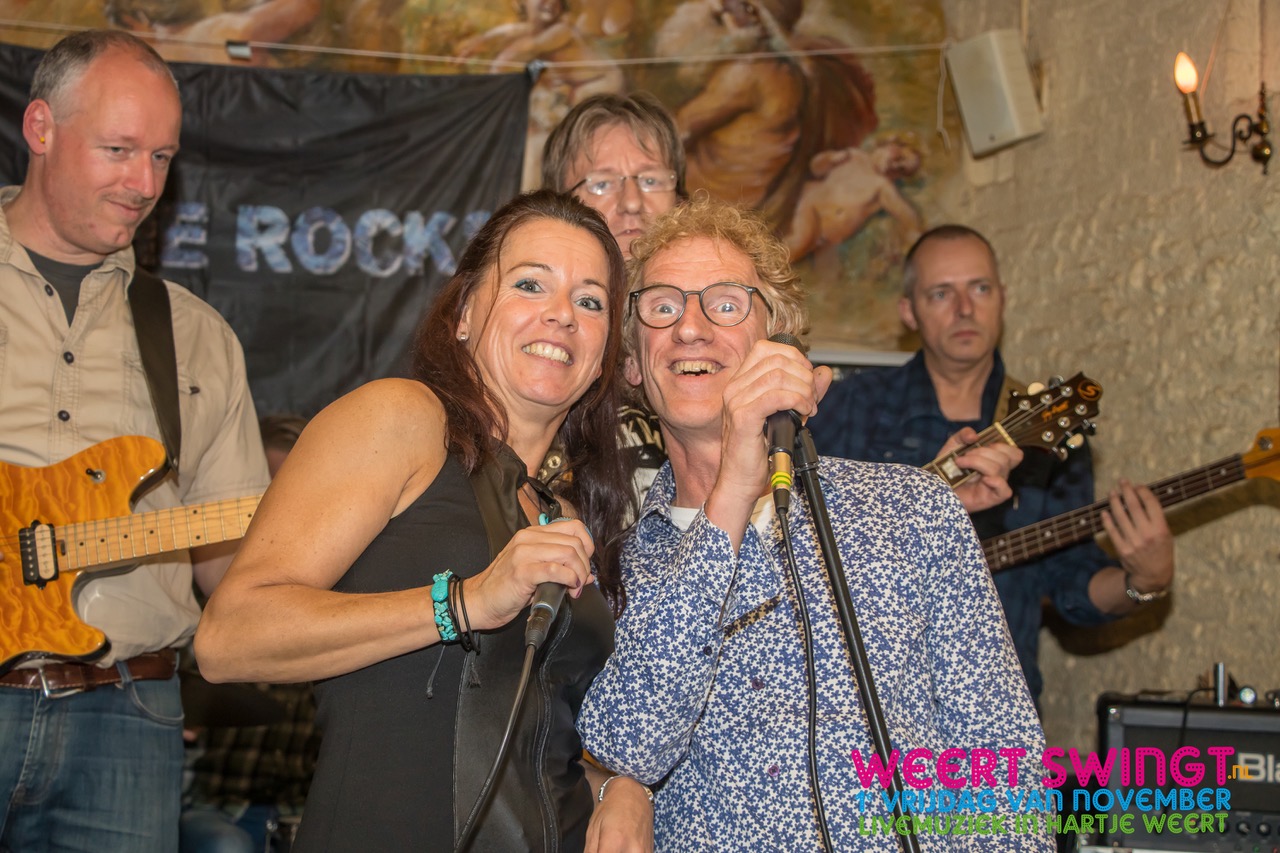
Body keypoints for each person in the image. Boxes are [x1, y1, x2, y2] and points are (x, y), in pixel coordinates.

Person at [576, 197, 1052, 850]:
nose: (690, 328)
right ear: (633, 360)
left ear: (775, 343)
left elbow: (999, 758)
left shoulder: (912, 509)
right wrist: (732, 492)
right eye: (662, 306)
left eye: (725, 303)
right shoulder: (618, 573)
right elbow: (627, 746)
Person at [195, 190, 653, 852]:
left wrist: (618, 786)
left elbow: (538, 736)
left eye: (590, 301)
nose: (562, 314)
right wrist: (464, 602)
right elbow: (228, 637)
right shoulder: (403, 419)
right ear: (463, 314)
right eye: (530, 284)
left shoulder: (566, 515)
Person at [0, 30, 269, 852]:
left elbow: (232, 557)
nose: (143, 184)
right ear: (40, 127)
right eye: (118, 150)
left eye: (160, 157)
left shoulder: (197, 336)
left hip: (128, 714)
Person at [808, 224, 1176, 702]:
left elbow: (1072, 583)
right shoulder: (845, 409)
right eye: (942, 293)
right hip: (863, 701)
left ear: (1003, 297)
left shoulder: (1048, 427)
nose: (965, 309)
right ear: (909, 311)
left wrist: (1144, 581)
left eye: (980, 288)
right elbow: (799, 545)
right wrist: (925, 499)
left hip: (995, 703)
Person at [180, 414, 319, 853]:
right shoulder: (205, 597)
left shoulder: (329, 594)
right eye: (264, 489)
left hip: (302, 808)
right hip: (216, 804)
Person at [542, 92, 687, 501]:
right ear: (557, 204)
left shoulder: (712, 334)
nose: (632, 203)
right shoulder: (537, 330)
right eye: (602, 183)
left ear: (680, 200)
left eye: (651, 180)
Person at [785, 133, 925, 271]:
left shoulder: (882, 187)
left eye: (902, 170)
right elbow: (816, 169)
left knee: (820, 268)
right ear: (890, 143)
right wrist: (830, 158)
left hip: (825, 236)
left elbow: (907, 215)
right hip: (812, 206)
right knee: (799, 242)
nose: (896, 166)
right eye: (899, 157)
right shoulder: (853, 156)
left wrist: (915, 239)